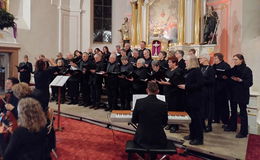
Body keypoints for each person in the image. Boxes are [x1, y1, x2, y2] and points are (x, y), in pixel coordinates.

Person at [132, 82, 168, 160]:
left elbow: (134, 120)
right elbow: (165, 122)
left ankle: (141, 156)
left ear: (147, 90)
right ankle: (153, 157)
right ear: (158, 91)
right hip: (158, 140)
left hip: (141, 139)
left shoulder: (139, 102)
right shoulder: (163, 104)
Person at [178, 55, 204, 145]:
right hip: (189, 98)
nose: (185, 62)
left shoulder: (197, 71)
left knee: (197, 119)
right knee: (191, 119)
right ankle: (192, 135)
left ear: (192, 61)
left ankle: (199, 138)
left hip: (195, 99)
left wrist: (186, 86)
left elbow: (200, 85)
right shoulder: (189, 71)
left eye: (186, 60)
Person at [227, 54, 253, 138]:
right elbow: (229, 78)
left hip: (242, 94)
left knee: (242, 113)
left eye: (236, 60)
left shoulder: (247, 70)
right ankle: (232, 126)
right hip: (233, 93)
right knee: (233, 111)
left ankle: (243, 131)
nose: (234, 61)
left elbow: (250, 83)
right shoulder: (232, 69)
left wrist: (240, 80)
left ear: (241, 60)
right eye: (233, 60)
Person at [159, 57, 185, 133]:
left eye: (170, 62)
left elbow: (175, 82)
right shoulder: (169, 70)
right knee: (168, 108)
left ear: (174, 63)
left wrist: (164, 83)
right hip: (167, 92)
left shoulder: (179, 71)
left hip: (175, 93)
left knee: (174, 109)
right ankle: (169, 123)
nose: (168, 64)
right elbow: (166, 78)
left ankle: (175, 125)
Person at [213, 53, 230, 127]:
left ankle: (225, 121)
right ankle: (216, 118)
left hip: (223, 89)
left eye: (215, 58)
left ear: (220, 58)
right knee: (215, 104)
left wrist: (218, 76)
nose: (214, 60)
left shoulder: (226, 66)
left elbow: (227, 76)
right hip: (215, 88)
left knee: (224, 106)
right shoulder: (214, 66)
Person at [199, 54, 215, 132]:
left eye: (201, 58)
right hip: (201, 91)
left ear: (205, 59)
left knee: (209, 109)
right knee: (202, 109)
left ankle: (209, 125)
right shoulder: (201, 68)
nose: (199, 60)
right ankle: (202, 125)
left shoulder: (211, 69)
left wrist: (202, 81)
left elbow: (212, 81)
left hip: (208, 92)